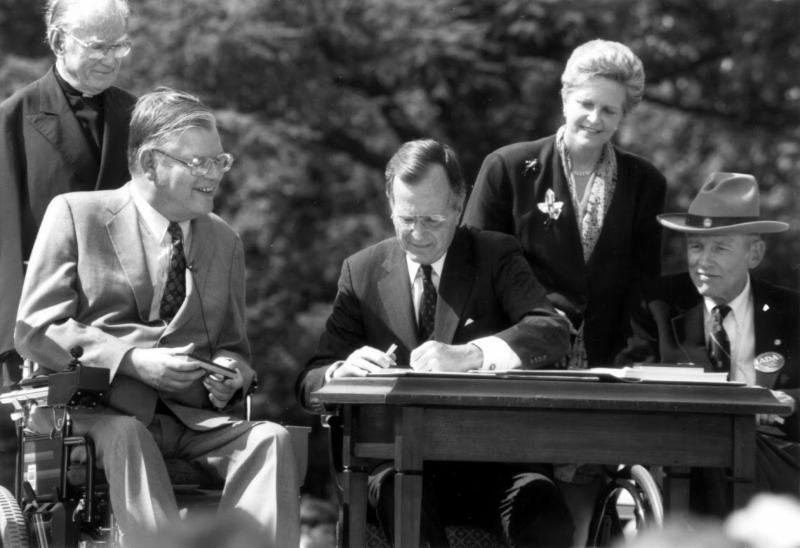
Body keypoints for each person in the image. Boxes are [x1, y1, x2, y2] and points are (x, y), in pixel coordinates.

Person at [14, 88, 300, 546]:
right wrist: (130, 360)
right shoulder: (76, 214)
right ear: (150, 163)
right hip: (95, 414)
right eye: (199, 163)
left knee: (272, 439)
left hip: (191, 419)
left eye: (220, 161)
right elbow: (37, 328)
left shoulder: (224, 240)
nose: (214, 175)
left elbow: (234, 348)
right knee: (129, 435)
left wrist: (230, 373)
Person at [296, 139, 574, 547]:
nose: (418, 234)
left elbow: (551, 331)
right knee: (402, 492)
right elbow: (309, 380)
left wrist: (472, 354)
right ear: (389, 204)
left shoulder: (494, 255)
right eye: (406, 218)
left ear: (459, 208)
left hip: (493, 463)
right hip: (394, 467)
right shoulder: (361, 271)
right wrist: (340, 372)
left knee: (542, 507)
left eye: (432, 219)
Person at [462, 39, 666, 368]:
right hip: (516, 358)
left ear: (622, 116)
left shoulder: (644, 181)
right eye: (586, 103)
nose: (594, 118)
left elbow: (644, 286)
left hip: (608, 363)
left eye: (609, 110)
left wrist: (636, 364)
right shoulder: (508, 167)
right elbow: (473, 270)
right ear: (565, 99)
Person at [617, 172, 798, 512]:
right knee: (711, 453)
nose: (703, 261)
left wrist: (785, 401)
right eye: (696, 246)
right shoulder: (655, 304)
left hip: (773, 459)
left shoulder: (792, 311)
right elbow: (630, 384)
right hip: (684, 459)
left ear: (754, 254)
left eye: (720, 248)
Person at [0, 0, 135, 371]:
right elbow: (4, 239)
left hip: (127, 326)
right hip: (46, 326)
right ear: (60, 41)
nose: (111, 59)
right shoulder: (13, 117)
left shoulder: (138, 116)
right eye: (98, 47)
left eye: (119, 46)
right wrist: (15, 339)